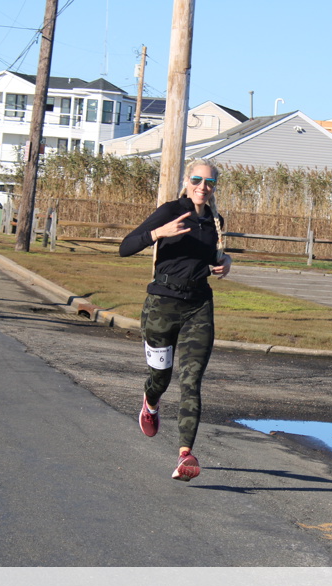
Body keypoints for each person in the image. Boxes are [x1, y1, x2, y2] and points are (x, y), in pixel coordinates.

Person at [118, 159, 232, 482]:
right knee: (161, 378)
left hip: (198, 306)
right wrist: (158, 233)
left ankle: (185, 455)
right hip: (162, 305)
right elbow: (125, 247)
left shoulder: (214, 221)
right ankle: (151, 401)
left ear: (215, 187)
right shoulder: (170, 211)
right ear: (186, 181)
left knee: (191, 381)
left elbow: (211, 257)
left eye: (210, 182)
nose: (203, 187)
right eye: (197, 180)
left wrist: (226, 262)